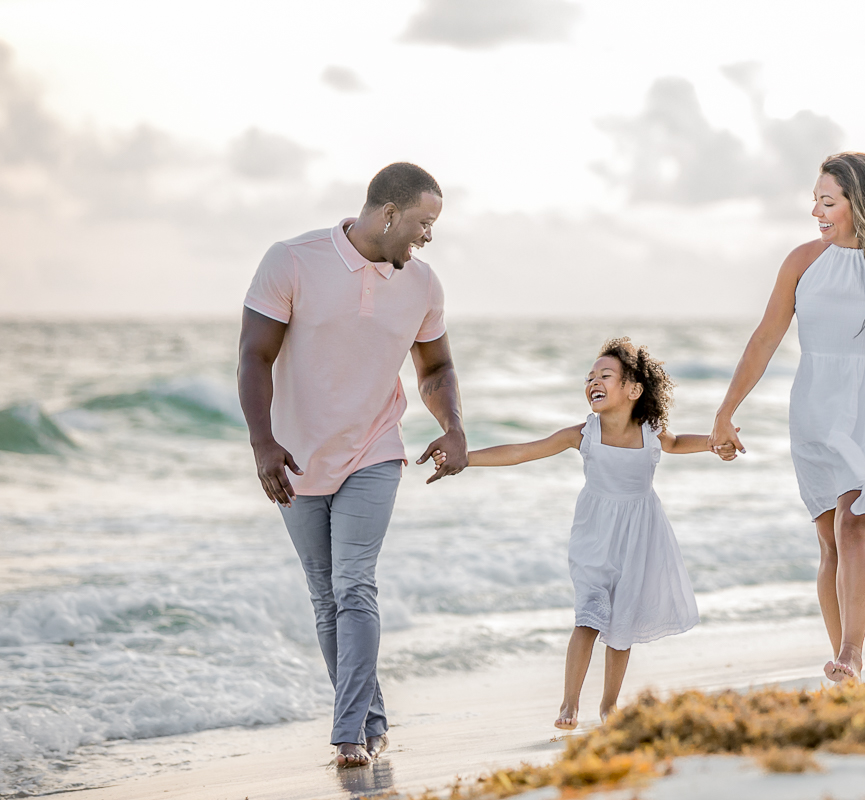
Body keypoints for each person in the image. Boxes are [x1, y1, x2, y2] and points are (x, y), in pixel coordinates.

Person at [236, 162, 468, 768]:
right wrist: (262, 442)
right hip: (296, 456)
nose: (427, 237)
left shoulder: (422, 284)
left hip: (375, 450)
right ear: (388, 214)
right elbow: (254, 357)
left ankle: (347, 736)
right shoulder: (292, 260)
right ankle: (373, 719)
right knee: (324, 597)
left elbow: (436, 369)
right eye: (422, 222)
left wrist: (455, 427)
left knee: (353, 584)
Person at [708, 152, 865, 683]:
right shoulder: (803, 261)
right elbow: (766, 337)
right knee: (829, 540)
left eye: (828, 201)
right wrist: (726, 410)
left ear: (861, 203)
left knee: (854, 525)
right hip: (816, 408)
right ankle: (845, 663)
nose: (817, 211)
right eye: (816, 201)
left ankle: (852, 652)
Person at [437, 338, 717, 728]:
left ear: (634, 389)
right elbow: (522, 451)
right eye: (589, 377)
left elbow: (677, 443)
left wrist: (713, 444)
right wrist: (466, 459)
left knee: (622, 626)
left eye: (605, 375)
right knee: (589, 615)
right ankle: (569, 704)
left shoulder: (652, 431)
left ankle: (608, 706)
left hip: (641, 536)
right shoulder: (583, 434)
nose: (593, 382)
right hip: (595, 536)